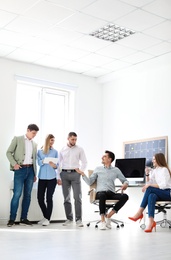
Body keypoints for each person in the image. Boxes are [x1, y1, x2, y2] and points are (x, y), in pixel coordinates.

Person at [78, 150, 129, 230]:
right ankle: (103, 221)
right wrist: (83, 174)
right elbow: (90, 182)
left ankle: (108, 216)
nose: (102, 157)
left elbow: (124, 180)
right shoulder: (98, 169)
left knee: (125, 196)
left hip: (111, 193)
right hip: (100, 193)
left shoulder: (116, 170)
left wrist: (125, 184)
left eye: (104, 156)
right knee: (102, 195)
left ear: (110, 159)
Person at [6, 124, 39, 227]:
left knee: (28, 195)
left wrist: (35, 173)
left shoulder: (34, 144)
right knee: (17, 194)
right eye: (33, 133)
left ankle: (24, 218)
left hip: (30, 171)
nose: (34, 135)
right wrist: (14, 164)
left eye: (36, 134)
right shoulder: (17, 139)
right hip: (20, 170)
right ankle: (12, 219)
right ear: (28, 130)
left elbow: (34, 160)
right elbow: (8, 152)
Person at [128, 153, 171, 233]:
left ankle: (139, 213)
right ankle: (151, 222)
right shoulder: (155, 171)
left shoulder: (164, 169)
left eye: (154, 159)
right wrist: (147, 174)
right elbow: (149, 182)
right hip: (160, 192)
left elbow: (164, 185)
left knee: (150, 189)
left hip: (167, 193)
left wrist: (149, 185)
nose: (152, 161)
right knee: (151, 195)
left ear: (159, 160)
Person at [58, 132, 87, 227]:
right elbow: (59, 164)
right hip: (64, 174)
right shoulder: (62, 149)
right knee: (66, 198)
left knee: (77, 197)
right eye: (72, 139)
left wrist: (81, 171)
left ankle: (79, 220)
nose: (74, 141)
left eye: (75, 139)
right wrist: (58, 176)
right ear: (68, 138)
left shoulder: (79, 149)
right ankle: (69, 219)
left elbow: (84, 162)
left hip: (75, 174)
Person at [37, 134, 59, 226]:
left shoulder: (55, 152)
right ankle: (46, 216)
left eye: (53, 140)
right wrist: (43, 161)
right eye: (51, 140)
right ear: (47, 140)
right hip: (42, 178)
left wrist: (54, 166)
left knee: (49, 198)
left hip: (52, 178)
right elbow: (38, 162)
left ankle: (48, 219)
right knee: (40, 198)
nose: (53, 142)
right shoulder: (39, 151)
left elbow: (57, 165)